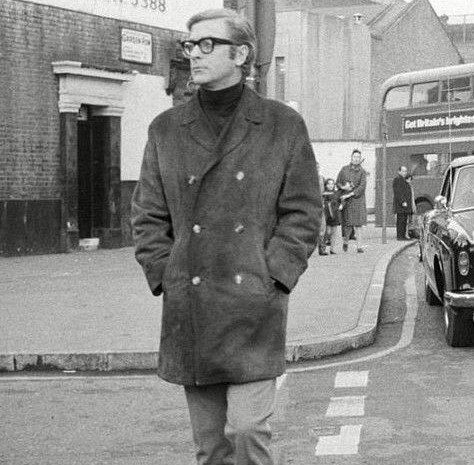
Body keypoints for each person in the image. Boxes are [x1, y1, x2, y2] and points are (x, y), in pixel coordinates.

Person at [130, 9, 321, 465]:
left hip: (253, 306)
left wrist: (273, 274)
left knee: (249, 431)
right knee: (211, 447)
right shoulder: (166, 129)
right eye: (190, 45)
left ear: (241, 54)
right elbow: (147, 216)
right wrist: (167, 272)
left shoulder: (282, 126)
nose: (194, 54)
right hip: (192, 307)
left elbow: (304, 212)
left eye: (206, 44)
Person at [336, 149, 368, 252]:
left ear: (360, 159)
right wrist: (344, 187)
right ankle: (345, 241)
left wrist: (351, 193)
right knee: (348, 224)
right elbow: (338, 183)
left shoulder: (362, 172)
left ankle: (359, 247)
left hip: (357, 200)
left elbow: (362, 187)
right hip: (347, 202)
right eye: (354, 157)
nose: (356, 159)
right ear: (351, 157)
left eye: (358, 157)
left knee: (358, 224)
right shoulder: (344, 169)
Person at [321, 178, 341, 255]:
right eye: (329, 184)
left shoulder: (336, 193)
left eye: (332, 184)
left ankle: (332, 249)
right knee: (328, 232)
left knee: (334, 232)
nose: (331, 185)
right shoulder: (324, 194)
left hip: (335, 214)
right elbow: (323, 202)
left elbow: (341, 200)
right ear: (326, 185)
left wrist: (341, 206)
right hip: (327, 215)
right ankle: (323, 247)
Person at [392, 165, 413, 240]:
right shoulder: (397, 180)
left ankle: (403, 235)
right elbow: (398, 192)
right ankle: (400, 236)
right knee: (400, 221)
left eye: (405, 171)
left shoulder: (404, 180)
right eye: (403, 171)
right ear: (399, 172)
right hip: (401, 205)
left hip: (405, 204)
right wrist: (403, 201)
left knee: (404, 220)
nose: (405, 173)